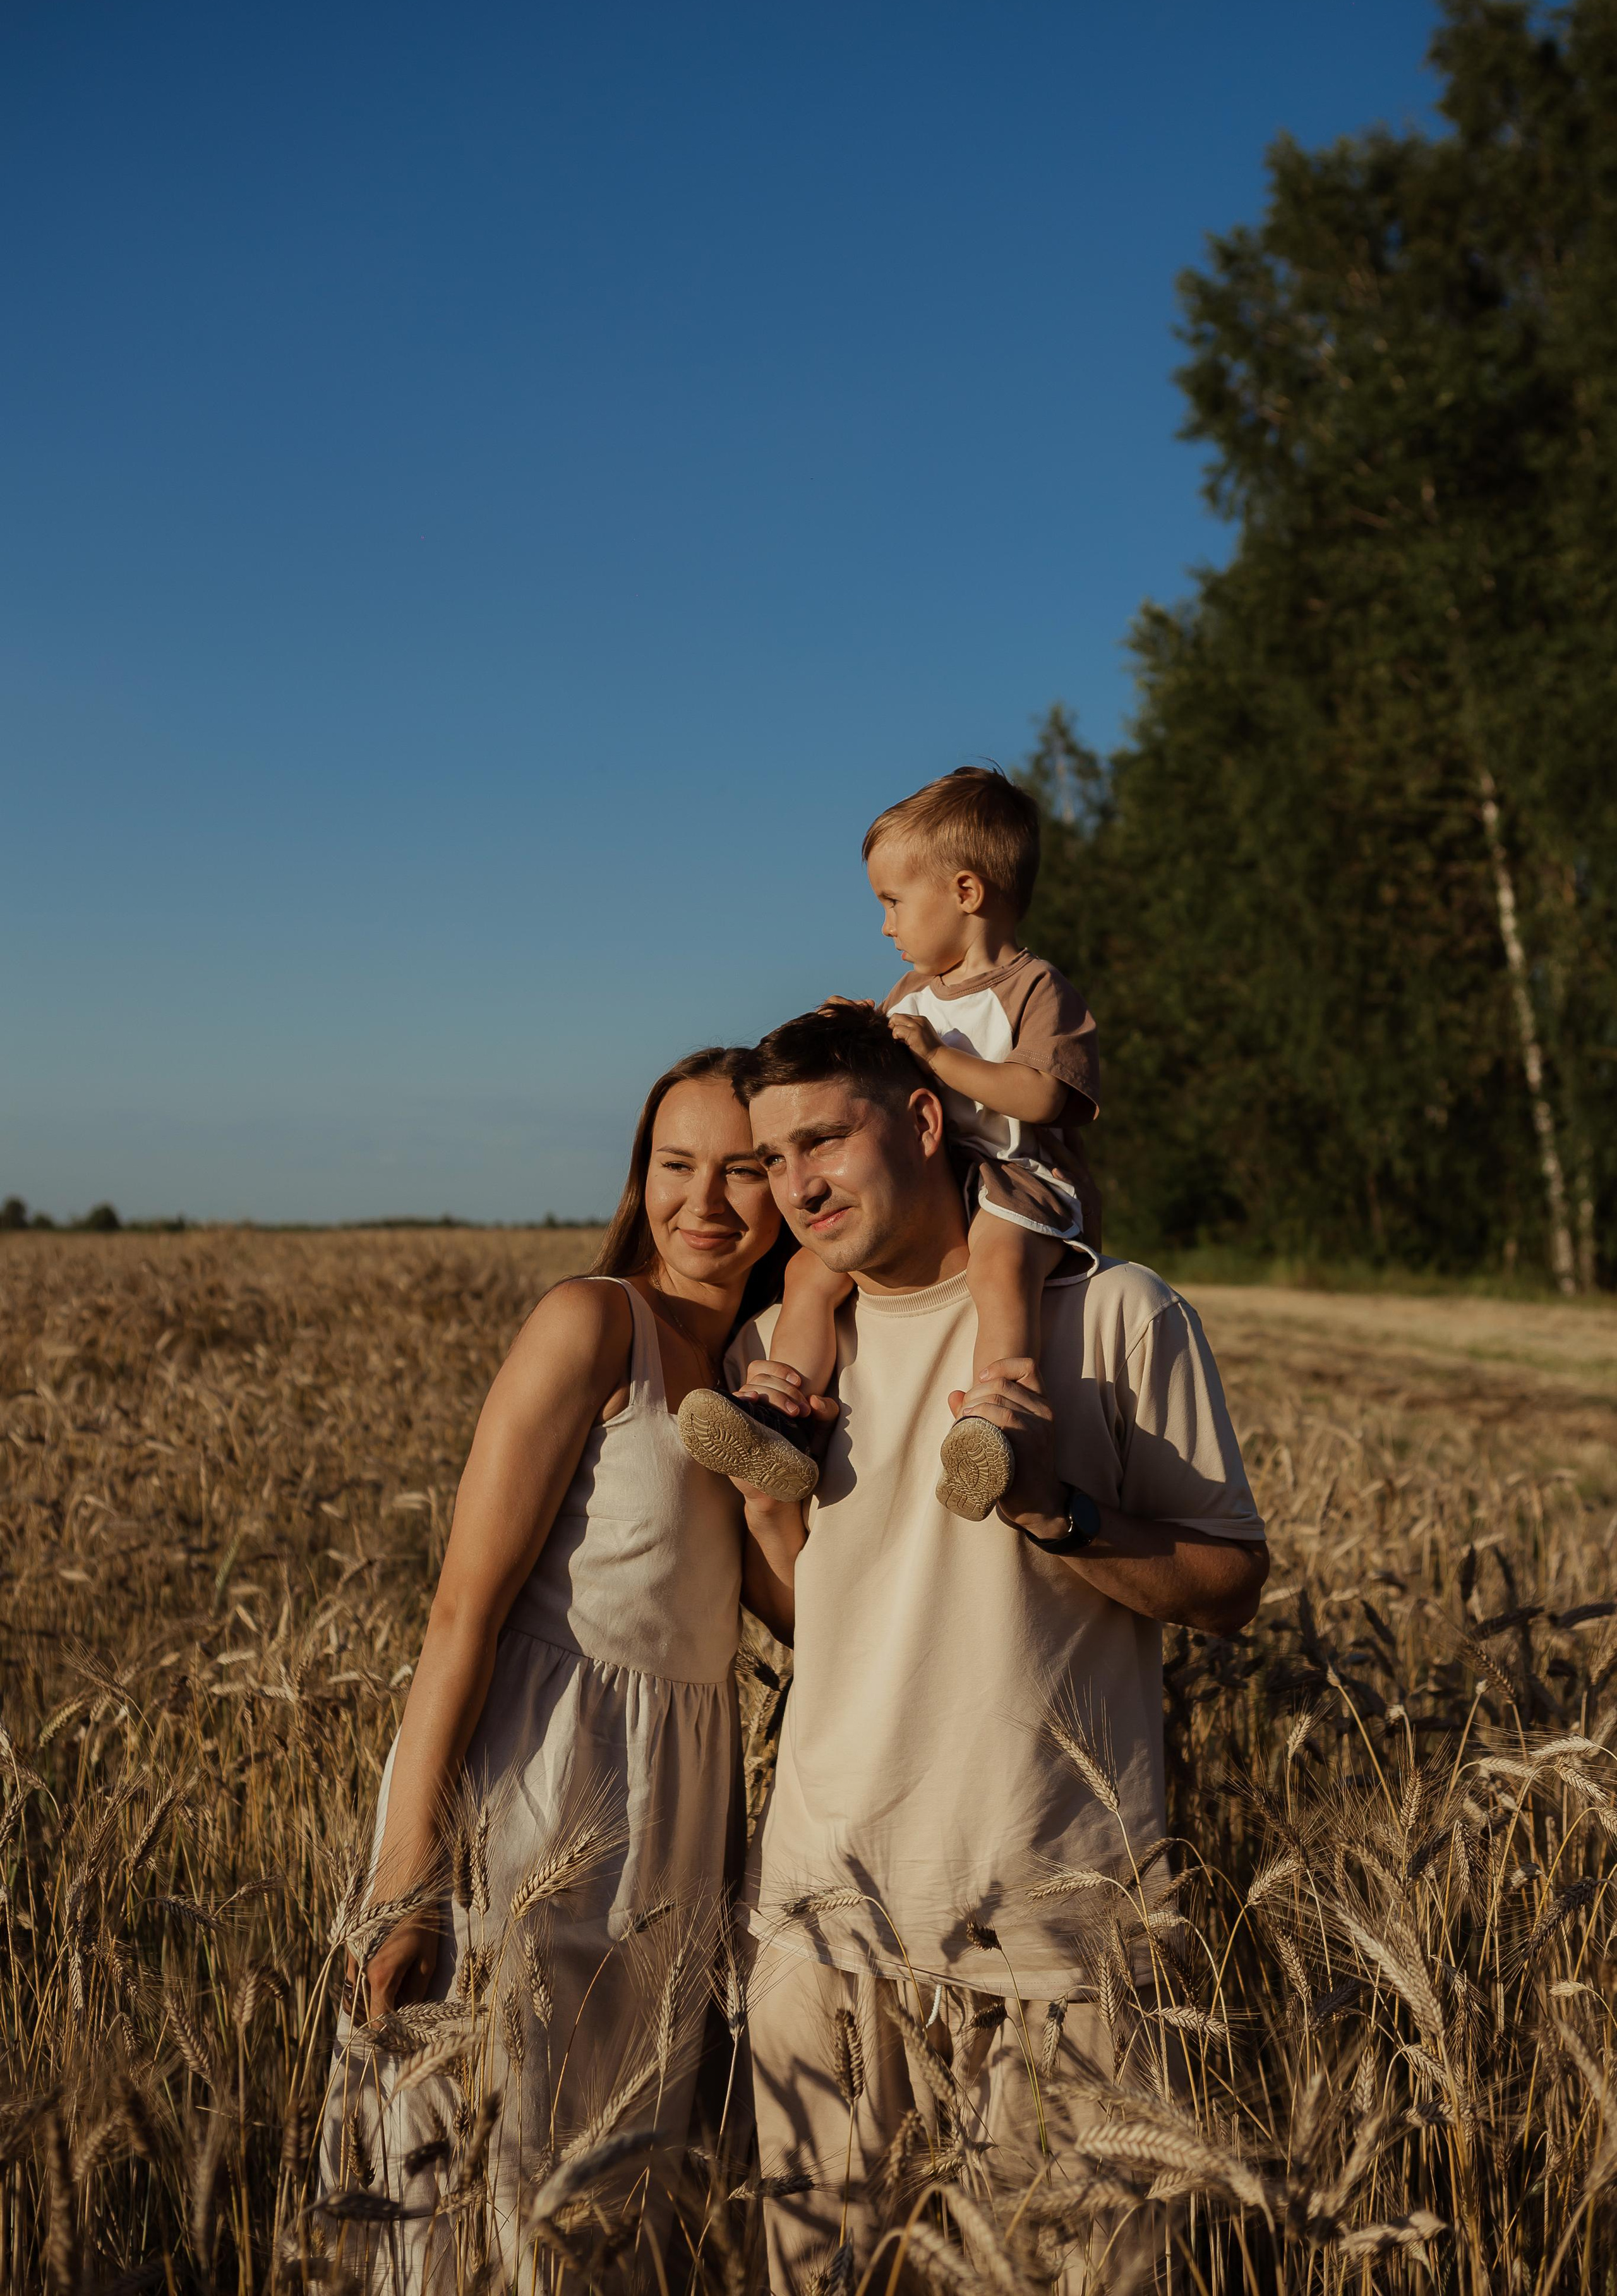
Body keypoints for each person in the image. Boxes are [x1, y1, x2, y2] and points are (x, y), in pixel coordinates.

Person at [714, 1005, 1269, 2293]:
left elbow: (1230, 1585)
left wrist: (1056, 1513)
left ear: (921, 1119)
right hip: (822, 1928)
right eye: (773, 1159)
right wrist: (764, 1511)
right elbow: (830, 1624)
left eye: (822, 1140)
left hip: (1057, 1940)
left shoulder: (1114, 1317)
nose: (797, 1185)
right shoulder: (782, 1363)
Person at [318, 1048, 810, 2292]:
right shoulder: (594, 1323)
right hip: (533, 1789)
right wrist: (407, 1874)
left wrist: (775, 1466)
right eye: (676, 1165)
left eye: (743, 1170)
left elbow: (799, 1610)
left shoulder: (767, 1365)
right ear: (640, 1175)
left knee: (606, 2190)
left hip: (676, 1809)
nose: (703, 1201)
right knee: (475, 2165)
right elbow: (461, 1612)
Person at [677, 766, 1102, 1523]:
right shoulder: (913, 993)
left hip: (1017, 1180)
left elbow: (1046, 1095)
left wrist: (938, 1057)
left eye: (893, 901)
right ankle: (783, 1414)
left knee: (999, 1266)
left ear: (965, 893)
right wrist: (851, 1029)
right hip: (936, 1178)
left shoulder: (1034, 988)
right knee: (809, 1271)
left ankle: (996, 1419)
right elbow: (879, 1079)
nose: (885, 926)